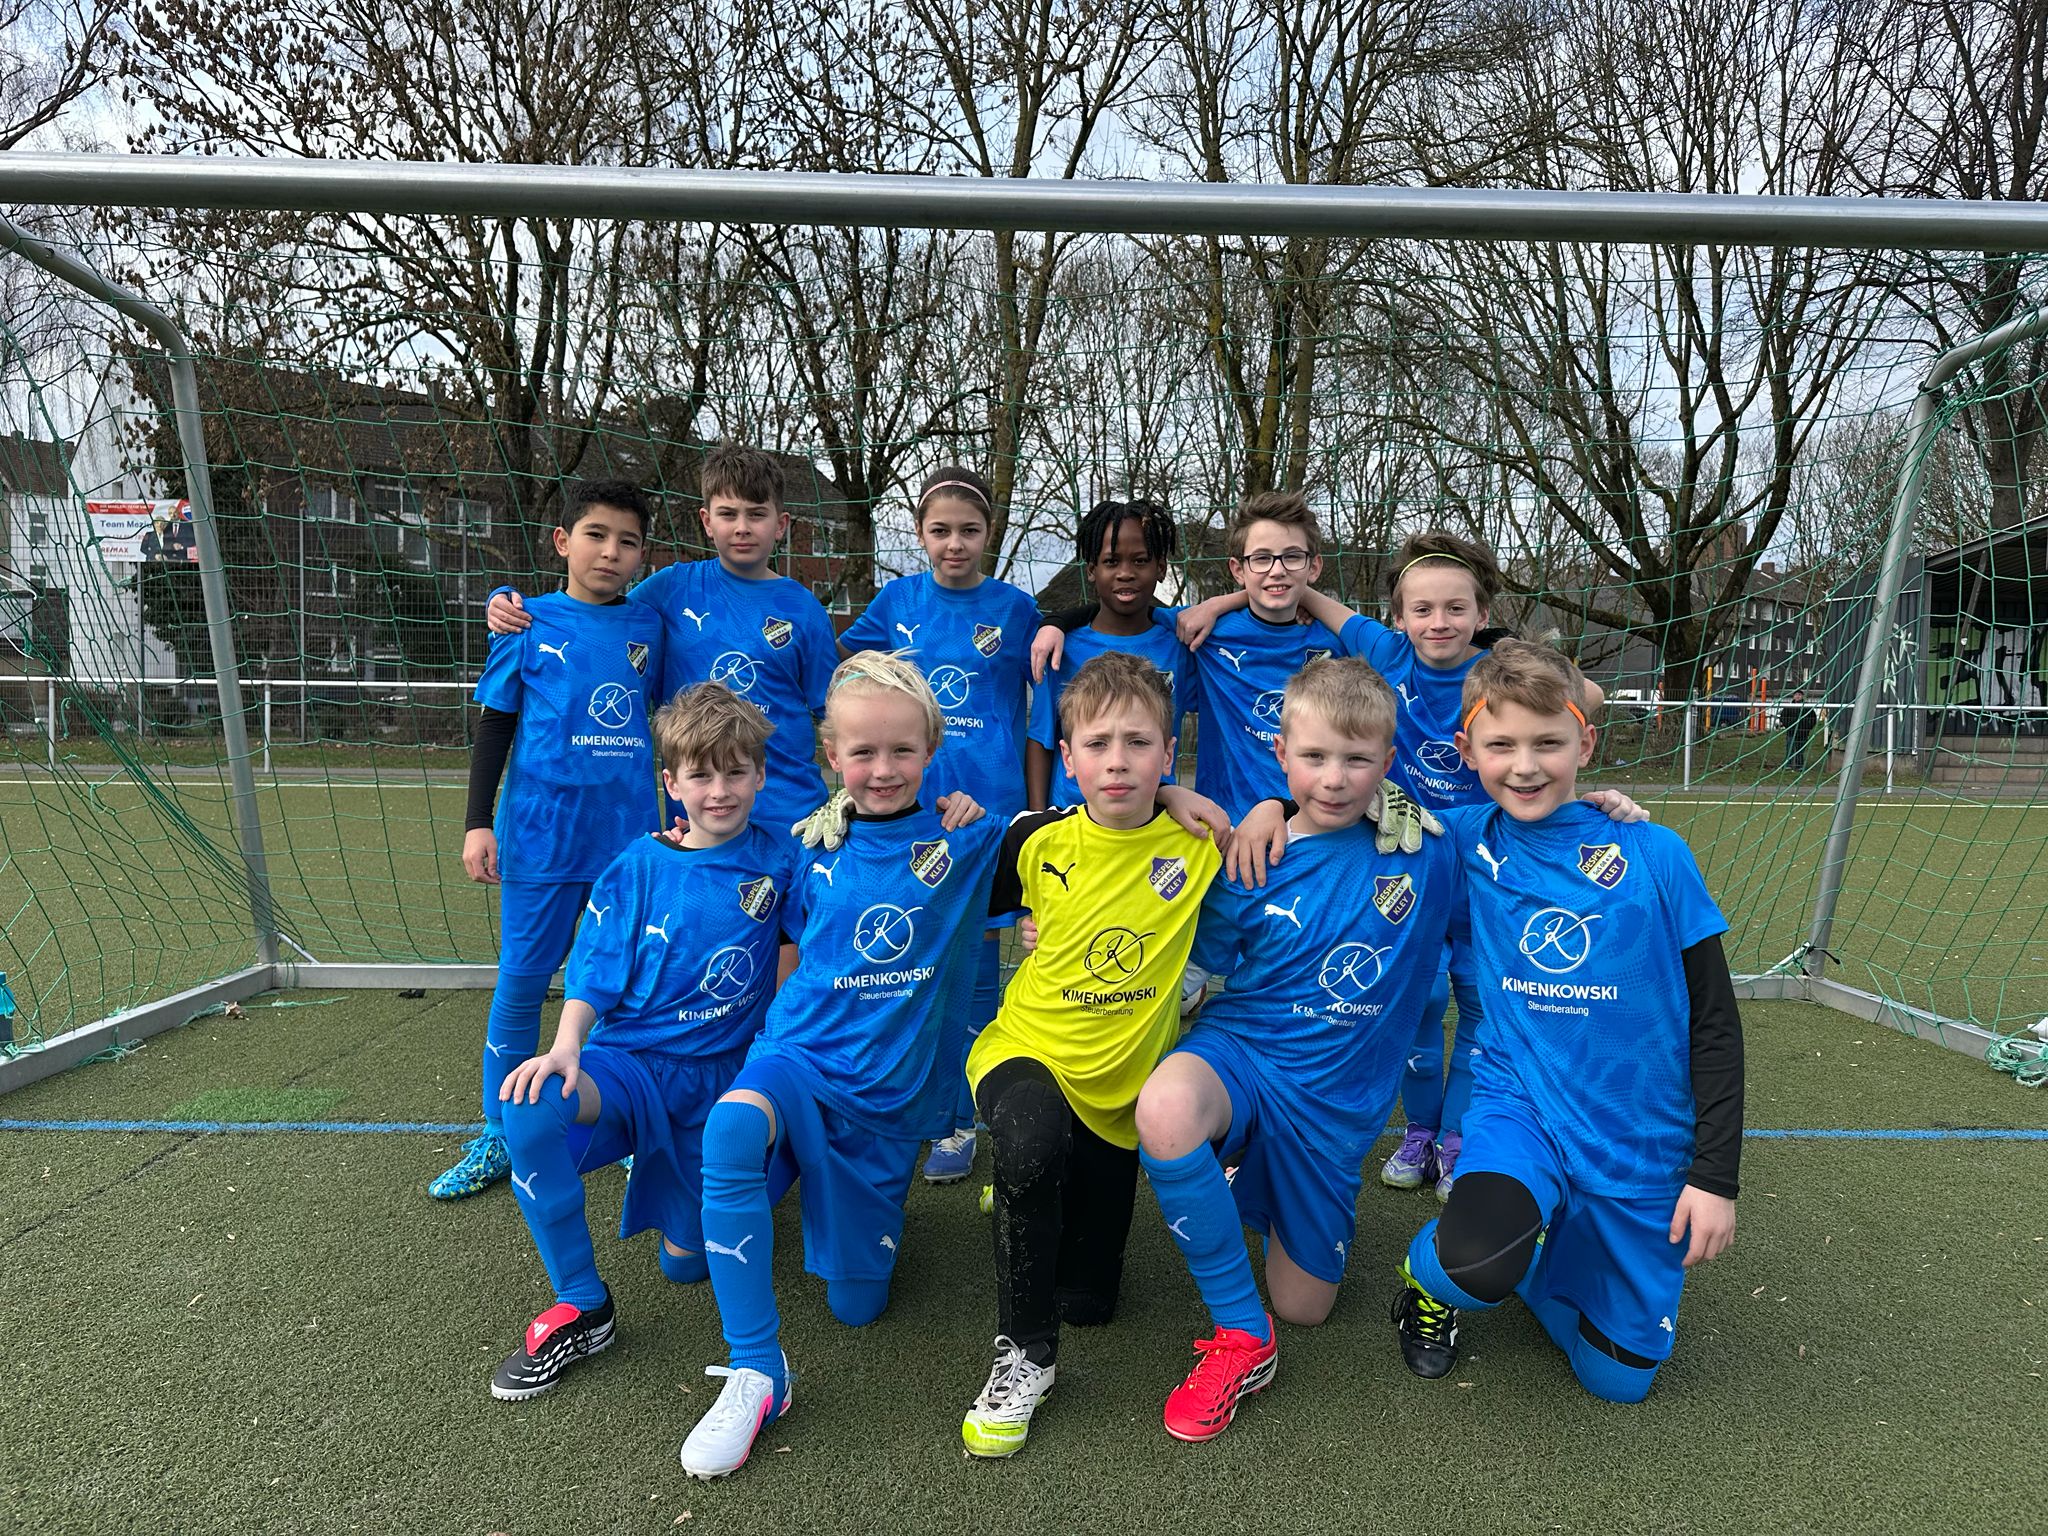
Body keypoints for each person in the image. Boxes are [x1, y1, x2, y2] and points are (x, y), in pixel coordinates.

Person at [1178, 531, 1602, 1201]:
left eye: (1457, 609)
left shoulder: (1492, 671)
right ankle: (1419, 1130)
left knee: (1484, 1006)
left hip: (1484, 864)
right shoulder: (1383, 650)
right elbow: (1306, 594)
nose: (1440, 622)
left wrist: (1517, 685)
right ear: (1398, 616)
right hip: (1402, 860)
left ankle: (1458, 1140)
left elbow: (1585, 700)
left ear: (1482, 613)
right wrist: (1219, 603)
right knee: (1417, 998)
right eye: (1422, 609)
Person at [676, 651, 1003, 1480]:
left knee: (859, 1307)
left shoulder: (967, 839)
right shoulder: (804, 845)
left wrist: (1177, 795)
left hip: (885, 1098)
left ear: (931, 750)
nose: (882, 769)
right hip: (798, 1057)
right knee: (730, 1131)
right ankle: (758, 1370)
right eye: (862, 752)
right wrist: (681, 845)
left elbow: (1081, 834)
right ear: (831, 754)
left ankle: (815, 1191)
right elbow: (734, 880)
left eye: (901, 751)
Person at [1389, 639, 1742, 1405]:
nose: (1525, 766)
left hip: (1640, 1144)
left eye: (1547, 743)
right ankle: (1436, 1274)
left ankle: (1536, 1253)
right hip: (1523, 1111)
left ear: (1584, 744)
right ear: (1467, 752)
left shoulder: (1656, 853)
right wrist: (1263, 810)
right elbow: (1337, 805)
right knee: (1477, 1260)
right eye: (1501, 746)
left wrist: (1715, 1178)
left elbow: (1716, 1023)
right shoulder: (1460, 840)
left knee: (1617, 1381)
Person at [1133, 657, 1455, 1439]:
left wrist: (1604, 805)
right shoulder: (1251, 856)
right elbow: (1196, 969)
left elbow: (1525, 814)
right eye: (1313, 757)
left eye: (1357, 759)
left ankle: (1254, 1175)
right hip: (1244, 1052)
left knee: (1306, 1305)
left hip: (1332, 1109)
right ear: (1281, 754)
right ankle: (1244, 1336)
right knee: (1167, 1108)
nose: (1335, 779)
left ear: (1390, 759)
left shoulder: (1432, 847)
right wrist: (1202, 798)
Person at [488, 683, 797, 1400]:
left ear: (760, 775)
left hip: (721, 1079)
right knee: (529, 1105)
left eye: (736, 772)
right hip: (630, 1065)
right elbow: (594, 969)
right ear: (671, 783)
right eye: (700, 774)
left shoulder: (784, 862)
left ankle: (750, 1176)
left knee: (685, 1264)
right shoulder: (637, 865)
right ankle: (582, 1303)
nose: (719, 791)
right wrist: (566, 1045)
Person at [957, 651, 1225, 1459]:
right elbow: (934, 871)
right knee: (1031, 1143)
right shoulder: (1033, 838)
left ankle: (1033, 1193)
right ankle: (1026, 1358)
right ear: (1067, 758)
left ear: (1168, 753)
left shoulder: (1202, 843)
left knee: (1092, 1300)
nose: (1118, 761)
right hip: (1024, 1049)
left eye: (1138, 743)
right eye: (1097, 744)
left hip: (1121, 1091)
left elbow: (1296, 819)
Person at [433, 481, 668, 1200]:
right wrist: (478, 822)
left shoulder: (651, 627)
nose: (611, 551)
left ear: (642, 556)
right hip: (540, 841)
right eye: (596, 534)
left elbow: (669, 720)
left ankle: (617, 1124)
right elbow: (496, 727)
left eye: (627, 541)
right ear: (563, 541)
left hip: (627, 846)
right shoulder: (525, 621)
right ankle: (499, 1133)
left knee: (621, 988)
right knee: (523, 983)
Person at [839, 466, 1040, 1185]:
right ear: (920, 534)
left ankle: (962, 1119)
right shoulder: (897, 601)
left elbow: (1059, 668)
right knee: (911, 963)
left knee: (978, 974)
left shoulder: (1017, 609)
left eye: (969, 531)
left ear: (990, 534)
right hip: (910, 813)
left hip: (985, 818)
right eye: (940, 530)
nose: (955, 544)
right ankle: (904, 1103)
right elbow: (845, 665)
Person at [487, 444, 838, 836]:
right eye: (728, 514)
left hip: (790, 817)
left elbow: (833, 716)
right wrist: (503, 600)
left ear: (781, 524)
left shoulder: (805, 610)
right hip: (699, 819)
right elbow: (597, 614)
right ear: (707, 521)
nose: (742, 527)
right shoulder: (671, 588)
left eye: (756, 514)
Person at [1025, 499, 1194, 811]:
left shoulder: (1181, 645)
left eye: (1140, 561)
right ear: (1092, 569)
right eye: (1111, 561)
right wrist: (1036, 819)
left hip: (1151, 816)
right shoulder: (1060, 647)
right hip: (1070, 818)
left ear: (1160, 568)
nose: (1125, 573)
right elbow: (1041, 739)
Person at [1780, 689, 1818, 773]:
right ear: (1793, 696)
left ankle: (1799, 766)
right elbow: (1783, 717)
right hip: (1791, 732)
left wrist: (1807, 728)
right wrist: (1788, 726)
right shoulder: (1789, 707)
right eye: (1796, 695)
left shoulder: (1807, 707)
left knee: (1800, 750)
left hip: (1803, 732)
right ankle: (1788, 765)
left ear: (1802, 696)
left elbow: (1813, 719)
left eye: (1799, 695)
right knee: (1790, 749)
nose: (1797, 696)